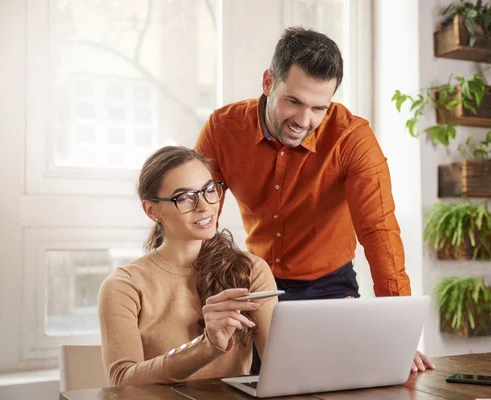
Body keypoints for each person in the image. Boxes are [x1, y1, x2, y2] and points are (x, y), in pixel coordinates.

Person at [195, 26, 434, 373]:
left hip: (330, 286)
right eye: (294, 101)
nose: (303, 121)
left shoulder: (353, 139)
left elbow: (379, 232)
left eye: (319, 108)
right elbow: (197, 218)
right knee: (253, 385)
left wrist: (399, 331)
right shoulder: (222, 128)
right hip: (256, 287)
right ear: (267, 83)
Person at [98, 146, 277, 386]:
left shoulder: (251, 270)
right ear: (152, 210)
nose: (204, 206)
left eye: (209, 190)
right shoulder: (124, 286)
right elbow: (122, 381)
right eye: (184, 197)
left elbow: (281, 368)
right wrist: (207, 346)